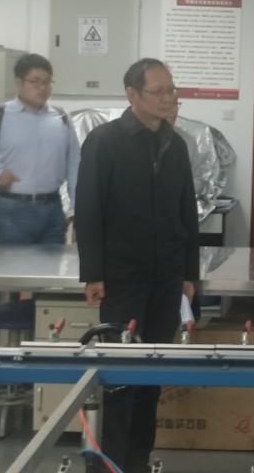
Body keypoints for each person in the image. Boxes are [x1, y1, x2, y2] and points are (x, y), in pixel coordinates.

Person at [75, 58, 199, 472]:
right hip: (122, 278)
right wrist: (93, 273)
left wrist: (189, 275)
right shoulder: (105, 141)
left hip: (166, 279)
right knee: (119, 379)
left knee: (150, 376)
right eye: (158, 91)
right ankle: (107, 465)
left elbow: (186, 212)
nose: (168, 98)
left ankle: (137, 461)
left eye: (171, 90)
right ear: (132, 95)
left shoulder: (175, 144)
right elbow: (88, 210)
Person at [0, 53, 80, 245]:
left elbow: (74, 163)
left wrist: (77, 206)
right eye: (35, 81)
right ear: (19, 83)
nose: (42, 88)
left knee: (52, 262)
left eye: (47, 82)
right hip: (12, 209)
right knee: (15, 262)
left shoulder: (62, 118)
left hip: (52, 208)